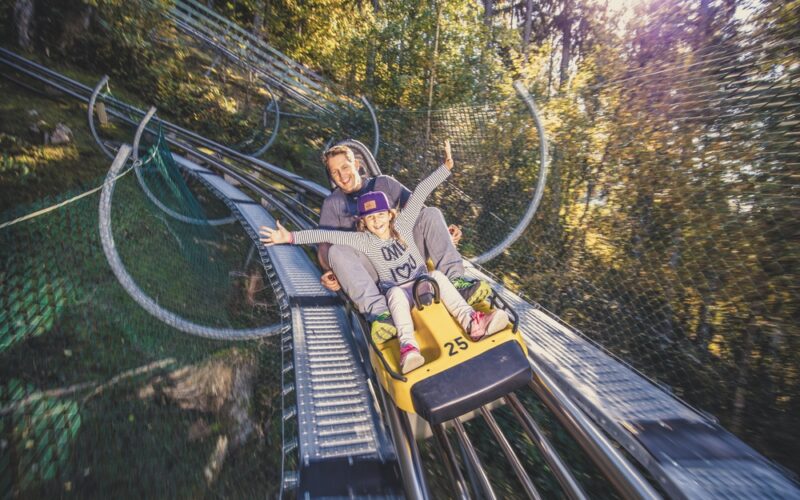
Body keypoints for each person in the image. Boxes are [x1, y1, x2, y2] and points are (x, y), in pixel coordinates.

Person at [260, 141, 508, 374]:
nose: (376, 221)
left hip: (421, 279)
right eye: (335, 172)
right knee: (396, 297)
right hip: (389, 284)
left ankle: (473, 319)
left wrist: (445, 168)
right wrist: (289, 238)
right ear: (363, 223)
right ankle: (403, 341)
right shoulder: (358, 232)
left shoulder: (400, 216)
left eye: (345, 167)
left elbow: (421, 195)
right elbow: (324, 236)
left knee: (438, 276)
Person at [315, 142, 490, 344]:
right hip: (373, 269)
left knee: (431, 214)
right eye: (335, 172)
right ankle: (381, 314)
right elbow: (324, 247)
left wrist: (441, 233)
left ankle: (457, 281)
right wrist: (330, 271)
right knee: (336, 251)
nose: (342, 176)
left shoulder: (385, 184)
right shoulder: (332, 204)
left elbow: (418, 211)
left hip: (405, 254)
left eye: (344, 167)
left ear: (356, 164)